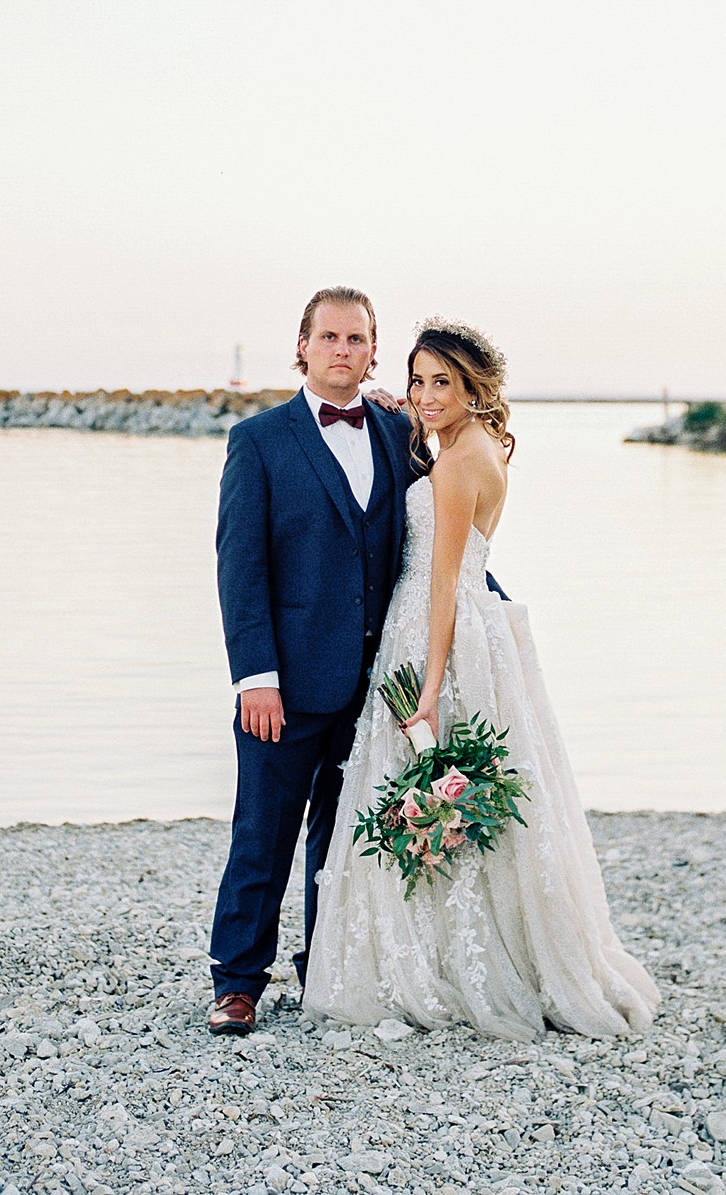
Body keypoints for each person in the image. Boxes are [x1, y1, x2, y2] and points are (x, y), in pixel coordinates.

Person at [304, 318, 660, 1039]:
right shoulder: (477, 444)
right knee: (454, 799)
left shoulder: (460, 464)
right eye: (420, 380)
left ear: (476, 389)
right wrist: (411, 409)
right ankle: (457, 947)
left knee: (425, 780)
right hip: (468, 628)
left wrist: (429, 688)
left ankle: (442, 967)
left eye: (445, 383)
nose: (428, 395)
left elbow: (442, 584)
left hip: (439, 632)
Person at [205, 286, 414, 1036]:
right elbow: (240, 567)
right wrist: (255, 677)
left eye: (356, 340)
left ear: (373, 350)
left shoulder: (395, 431)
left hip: (375, 684)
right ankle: (237, 983)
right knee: (264, 832)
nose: (342, 352)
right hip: (285, 686)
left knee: (349, 838)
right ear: (302, 345)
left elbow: (430, 539)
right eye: (329, 338)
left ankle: (325, 966)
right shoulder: (258, 440)